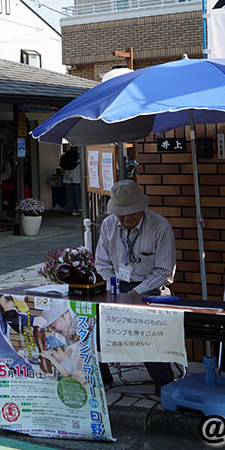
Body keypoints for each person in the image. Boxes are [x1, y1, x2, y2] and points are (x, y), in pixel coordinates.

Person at [94, 180, 177, 392]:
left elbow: (164, 272)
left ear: (142, 207)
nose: (126, 218)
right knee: (91, 319)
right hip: (116, 284)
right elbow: (102, 262)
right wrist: (113, 288)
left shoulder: (160, 226)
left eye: (132, 212)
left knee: (143, 322)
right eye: (121, 213)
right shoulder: (108, 225)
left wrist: (134, 292)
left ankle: (164, 380)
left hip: (149, 286)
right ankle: (102, 375)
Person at [60, 147, 82, 216]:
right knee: (77, 194)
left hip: (67, 177)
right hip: (77, 177)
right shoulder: (79, 156)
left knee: (69, 194)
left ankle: (71, 208)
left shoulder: (67, 154)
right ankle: (78, 208)